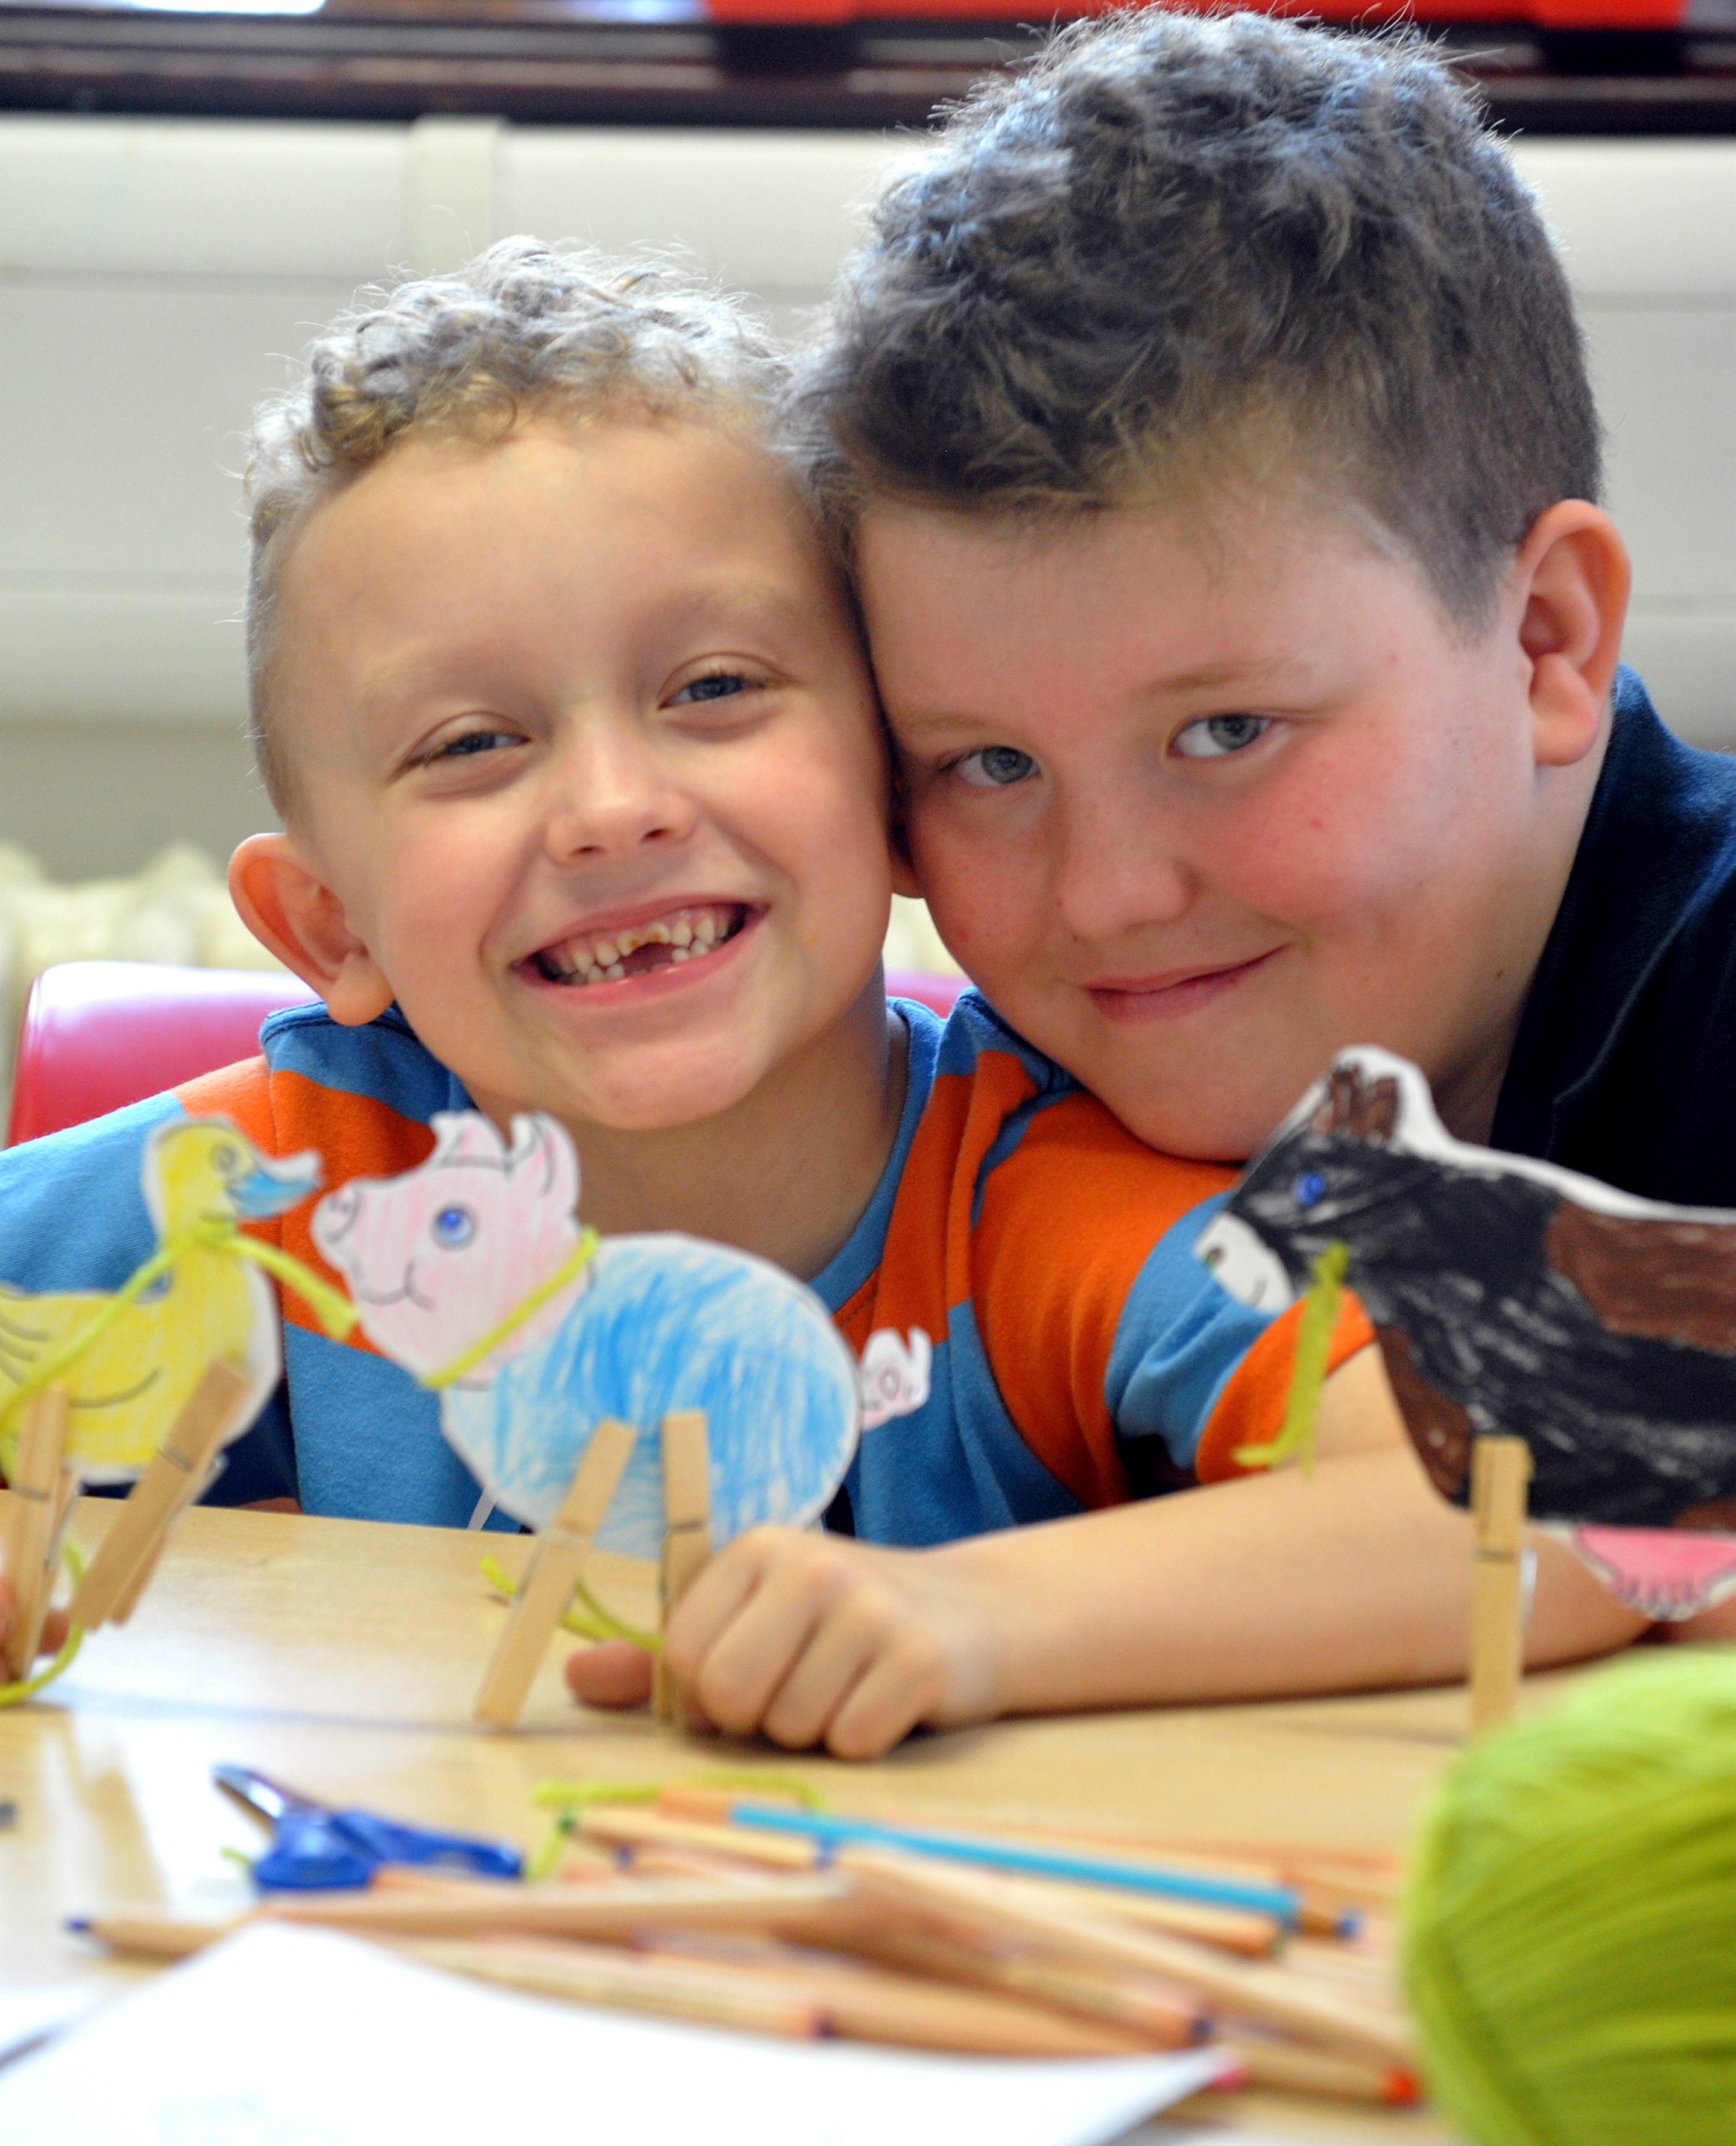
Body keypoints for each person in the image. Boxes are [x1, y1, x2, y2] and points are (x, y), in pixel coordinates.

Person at [0, 241, 1634, 1746]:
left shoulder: (1036, 1204)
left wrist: (962, 1615)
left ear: (899, 790)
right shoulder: (276, 1188)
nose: (609, 805)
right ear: (326, 923)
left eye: (712, 687)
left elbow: (1585, 1500)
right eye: (471, 743)